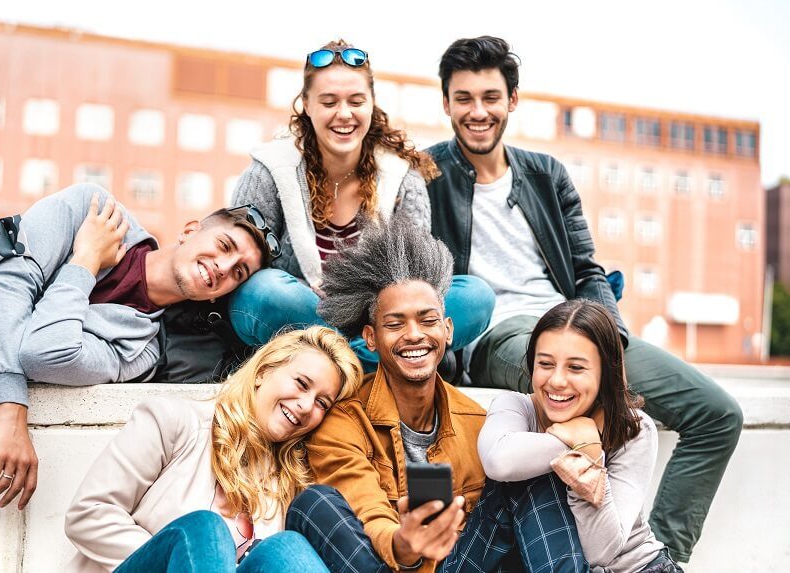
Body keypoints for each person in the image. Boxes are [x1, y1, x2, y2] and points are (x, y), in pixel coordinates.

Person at [425, 36, 743, 562]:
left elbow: (587, 271)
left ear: (512, 101)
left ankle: (660, 556)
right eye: (464, 98)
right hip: (496, 335)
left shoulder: (546, 174)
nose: (477, 111)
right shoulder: (425, 176)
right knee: (563, 384)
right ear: (446, 104)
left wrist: (608, 346)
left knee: (718, 414)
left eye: (490, 97)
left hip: (580, 325)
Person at [0, 183, 273, 510]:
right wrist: (10, 406)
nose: (223, 267)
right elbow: (6, 279)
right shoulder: (96, 211)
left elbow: (42, 351)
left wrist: (83, 261)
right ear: (191, 230)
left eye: (238, 272)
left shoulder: (137, 353)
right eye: (224, 246)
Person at [286, 219, 589, 573]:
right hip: (384, 564)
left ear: (447, 330)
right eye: (395, 324)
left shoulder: (478, 423)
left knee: (526, 471)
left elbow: (492, 531)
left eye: (428, 320)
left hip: (458, 565)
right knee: (313, 503)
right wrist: (405, 544)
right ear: (370, 338)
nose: (414, 335)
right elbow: (367, 514)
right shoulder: (343, 421)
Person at [229, 40, 493, 371]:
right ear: (307, 105)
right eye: (329, 102)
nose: (344, 114)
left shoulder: (401, 178)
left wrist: (374, 315)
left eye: (356, 101)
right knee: (264, 292)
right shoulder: (270, 170)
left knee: (475, 296)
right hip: (302, 309)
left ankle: (340, 362)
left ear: (371, 105)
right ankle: (369, 363)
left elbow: (417, 283)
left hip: (378, 320)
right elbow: (237, 264)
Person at [64, 326, 363, 572]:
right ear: (263, 372)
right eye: (301, 383)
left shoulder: (291, 482)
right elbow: (88, 513)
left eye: (322, 402)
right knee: (205, 532)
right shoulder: (173, 421)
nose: (306, 405)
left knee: (290, 549)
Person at [479, 299, 683, 573]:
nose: (557, 381)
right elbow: (499, 462)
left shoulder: (632, 428)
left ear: (604, 374)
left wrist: (589, 454)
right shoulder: (516, 407)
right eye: (546, 364)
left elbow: (603, 551)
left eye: (576, 368)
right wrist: (576, 439)